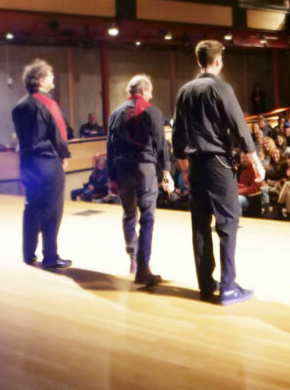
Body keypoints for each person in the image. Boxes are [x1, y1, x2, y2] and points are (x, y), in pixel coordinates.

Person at [173, 40, 264, 305]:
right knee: (227, 222)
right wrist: (256, 161)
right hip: (218, 163)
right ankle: (228, 287)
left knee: (200, 225)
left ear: (199, 60)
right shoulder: (221, 88)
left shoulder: (184, 91)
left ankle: (205, 285)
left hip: (196, 164)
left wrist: (183, 165)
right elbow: (238, 125)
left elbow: (177, 131)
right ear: (218, 61)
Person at [107, 74, 174, 286]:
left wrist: (111, 176)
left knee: (128, 214)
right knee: (147, 217)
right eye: (151, 91)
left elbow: (109, 147)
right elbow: (161, 144)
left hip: (123, 169)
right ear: (144, 90)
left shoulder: (115, 113)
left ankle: (133, 260)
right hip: (144, 168)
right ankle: (144, 268)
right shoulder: (151, 110)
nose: (151, 95)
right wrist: (166, 172)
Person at [12, 59, 72, 269]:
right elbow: (60, 133)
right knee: (51, 210)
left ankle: (28, 254)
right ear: (40, 80)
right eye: (50, 76)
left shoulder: (19, 106)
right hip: (48, 161)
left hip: (27, 163)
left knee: (31, 207)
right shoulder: (48, 103)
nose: (53, 79)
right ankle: (50, 256)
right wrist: (64, 156)